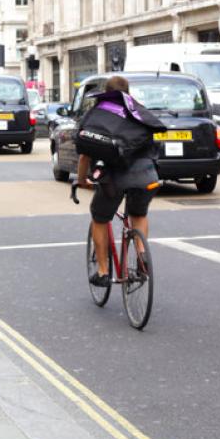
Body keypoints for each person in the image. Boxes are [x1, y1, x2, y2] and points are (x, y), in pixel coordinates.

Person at [76, 75, 162, 287]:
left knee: (100, 217)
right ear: (128, 92)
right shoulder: (139, 112)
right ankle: (142, 255)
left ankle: (104, 271)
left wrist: (81, 180)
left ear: (106, 91)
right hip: (148, 176)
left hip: (115, 179)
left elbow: (85, 154)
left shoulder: (97, 114)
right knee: (138, 214)